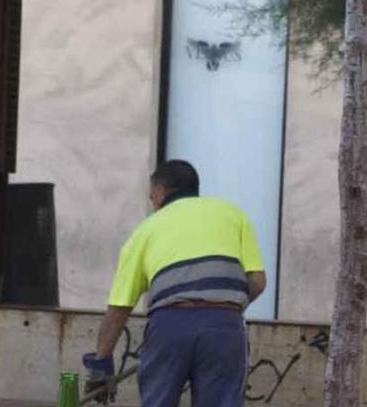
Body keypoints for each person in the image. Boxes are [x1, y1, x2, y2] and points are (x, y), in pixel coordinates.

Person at [82, 160, 266, 407]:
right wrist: (220, 308)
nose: (153, 204)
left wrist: (101, 364)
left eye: (151, 198)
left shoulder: (144, 231)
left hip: (170, 326)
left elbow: (119, 308)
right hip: (224, 327)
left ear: (159, 191)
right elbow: (258, 281)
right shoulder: (233, 215)